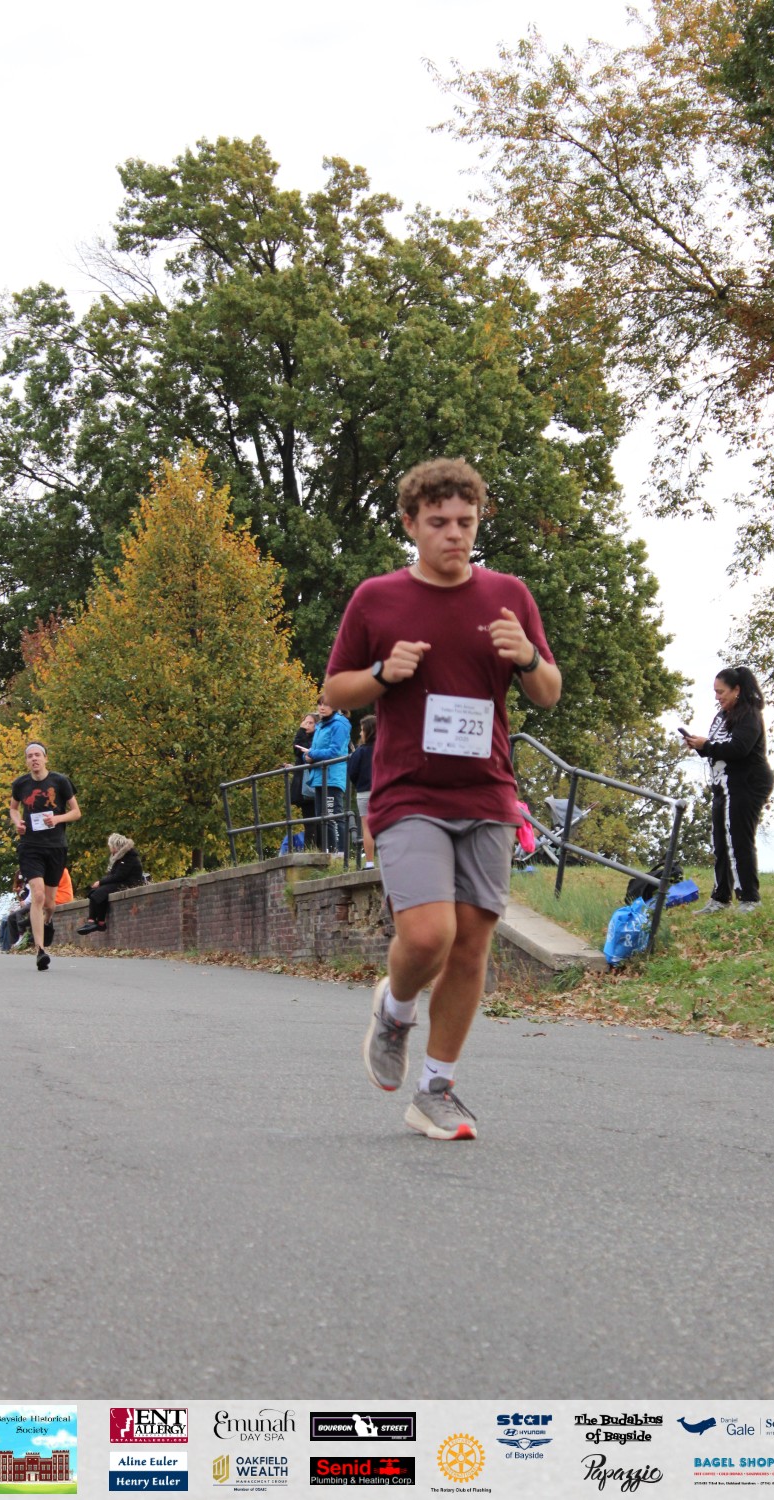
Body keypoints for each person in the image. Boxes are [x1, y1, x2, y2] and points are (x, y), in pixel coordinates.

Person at [324, 456, 562, 1141]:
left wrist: (526, 657)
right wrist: (382, 672)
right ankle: (395, 1009)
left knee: (471, 945)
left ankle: (435, 1090)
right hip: (409, 792)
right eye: (438, 522)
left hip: (487, 793)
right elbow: (335, 689)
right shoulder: (378, 599)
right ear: (410, 524)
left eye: (465, 521)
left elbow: (548, 692)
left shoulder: (508, 595)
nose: (454, 534)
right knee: (430, 935)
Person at [682, 666, 774, 913]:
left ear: (737, 690)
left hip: (746, 784)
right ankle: (720, 898)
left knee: (738, 840)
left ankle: (749, 899)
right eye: (715, 692)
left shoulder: (750, 715)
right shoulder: (723, 715)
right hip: (723, 786)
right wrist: (699, 745)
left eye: (721, 692)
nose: (717, 697)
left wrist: (707, 745)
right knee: (720, 842)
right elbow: (717, 747)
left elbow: (739, 749)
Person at [8, 740, 81, 971]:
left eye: (37, 755)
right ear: (27, 761)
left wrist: (57, 819)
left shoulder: (60, 781)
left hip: (55, 847)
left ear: (45, 758)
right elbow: (13, 808)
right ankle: (40, 950)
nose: (34, 759)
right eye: (30, 756)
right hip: (30, 847)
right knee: (37, 894)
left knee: (50, 903)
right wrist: (18, 823)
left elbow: (76, 812)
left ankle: (47, 921)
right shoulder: (21, 784)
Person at [302, 696, 350, 854]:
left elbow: (335, 751)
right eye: (319, 704)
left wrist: (312, 754)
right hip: (319, 777)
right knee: (322, 817)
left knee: (333, 815)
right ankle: (330, 852)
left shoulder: (340, 724)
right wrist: (306, 756)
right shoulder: (321, 725)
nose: (322, 707)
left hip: (332, 776)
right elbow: (313, 750)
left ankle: (341, 853)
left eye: (326, 704)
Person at [76, 834, 145, 933]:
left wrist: (101, 882)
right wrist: (102, 883)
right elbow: (113, 875)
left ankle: (97, 922)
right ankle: (96, 921)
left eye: (110, 846)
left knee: (99, 893)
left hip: (128, 884)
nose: (109, 848)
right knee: (95, 892)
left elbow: (120, 876)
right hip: (122, 882)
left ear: (115, 846)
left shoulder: (128, 857)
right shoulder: (121, 857)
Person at [347, 714, 376, 867]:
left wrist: (359, 784)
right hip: (382, 792)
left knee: (367, 827)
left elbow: (352, 772)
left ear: (368, 732)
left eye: (362, 730)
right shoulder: (384, 749)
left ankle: (369, 863)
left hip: (364, 792)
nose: (360, 733)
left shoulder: (359, 752)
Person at [290, 711, 317, 850]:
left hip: (314, 784)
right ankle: (310, 851)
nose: (306, 725)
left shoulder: (316, 739)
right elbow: (297, 752)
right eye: (305, 722)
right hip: (305, 788)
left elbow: (300, 750)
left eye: (310, 723)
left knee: (317, 822)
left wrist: (300, 732)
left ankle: (315, 850)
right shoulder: (306, 738)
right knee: (309, 822)